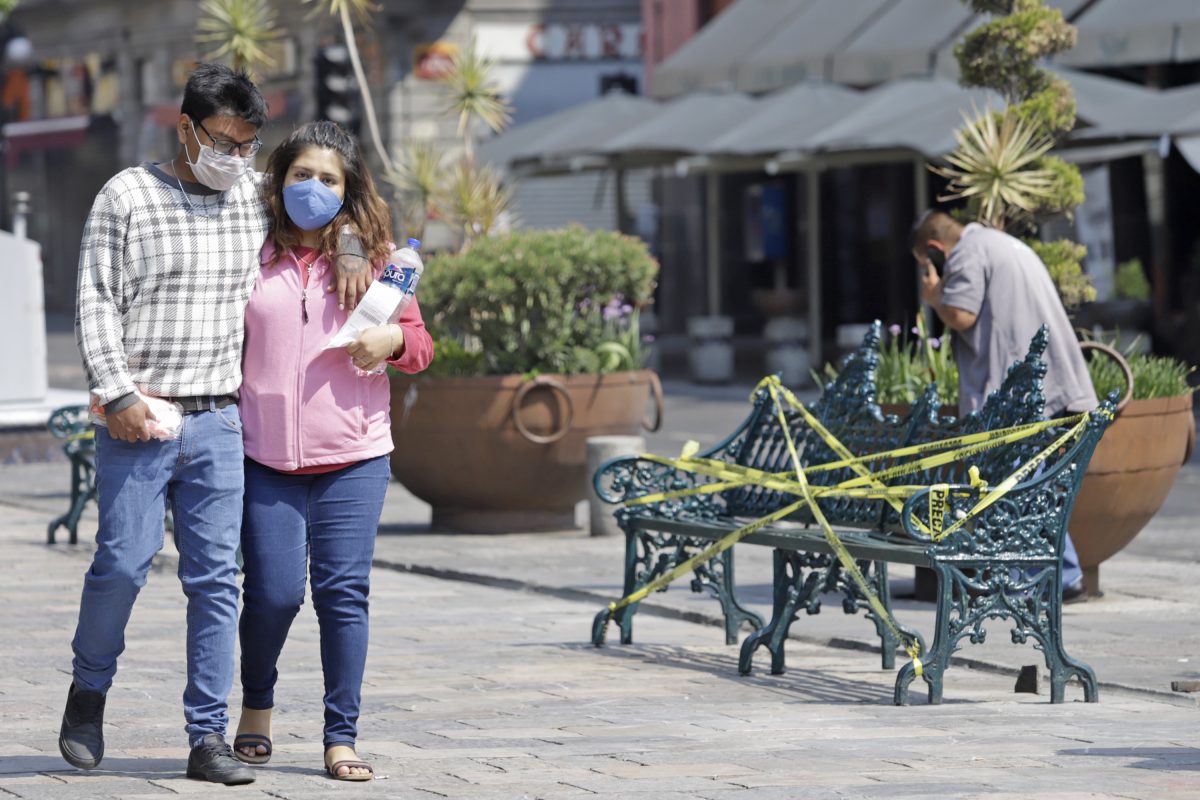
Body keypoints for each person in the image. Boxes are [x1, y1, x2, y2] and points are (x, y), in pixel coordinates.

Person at [64, 64, 303, 785]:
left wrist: (372, 268)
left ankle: (207, 736)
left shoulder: (255, 203)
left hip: (219, 421)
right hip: (140, 415)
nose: (235, 157)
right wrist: (116, 394)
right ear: (186, 128)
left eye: (248, 144)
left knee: (215, 582)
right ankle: (88, 689)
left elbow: (327, 237)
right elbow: (97, 300)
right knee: (124, 563)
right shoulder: (127, 197)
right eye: (223, 141)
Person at [231, 121, 433, 781]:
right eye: (301, 175)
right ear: (278, 180)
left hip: (354, 456)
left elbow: (421, 345)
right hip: (266, 458)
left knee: (343, 594)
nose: (313, 188)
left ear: (347, 191)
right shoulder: (248, 254)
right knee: (274, 594)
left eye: (328, 179)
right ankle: (256, 707)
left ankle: (340, 736)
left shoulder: (376, 264)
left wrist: (394, 344)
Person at [912, 210, 1098, 600]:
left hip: (1015, 393)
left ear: (935, 249)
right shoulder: (1005, 243)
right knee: (1034, 483)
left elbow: (962, 315)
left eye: (928, 263)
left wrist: (934, 297)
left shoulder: (965, 253)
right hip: (1048, 380)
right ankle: (1064, 575)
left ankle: (1025, 582)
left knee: (1013, 485)